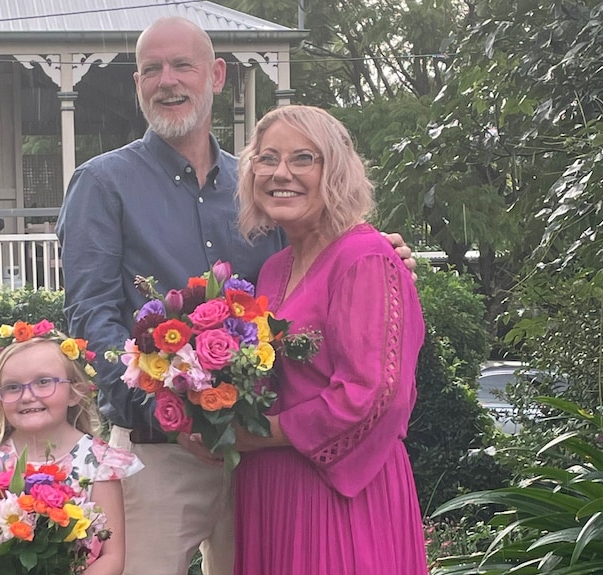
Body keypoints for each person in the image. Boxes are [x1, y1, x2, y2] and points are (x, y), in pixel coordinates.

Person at [57, 17, 416, 575]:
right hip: (162, 450)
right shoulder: (103, 183)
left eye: (183, 66)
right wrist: (168, 409)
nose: (167, 81)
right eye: (151, 69)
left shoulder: (257, 185)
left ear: (217, 75)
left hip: (270, 459)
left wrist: (374, 251)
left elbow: (313, 274)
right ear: (137, 83)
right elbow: (91, 316)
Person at [231, 105, 428, 574]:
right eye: (267, 158)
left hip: (341, 494)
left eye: (303, 158)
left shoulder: (365, 258)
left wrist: (255, 437)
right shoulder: (274, 269)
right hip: (271, 490)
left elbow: (373, 396)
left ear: (334, 170)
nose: (282, 173)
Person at [0, 319, 143, 575]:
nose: (28, 396)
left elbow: (113, 556)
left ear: (74, 392)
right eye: (13, 387)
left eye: (43, 382)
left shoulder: (98, 462)